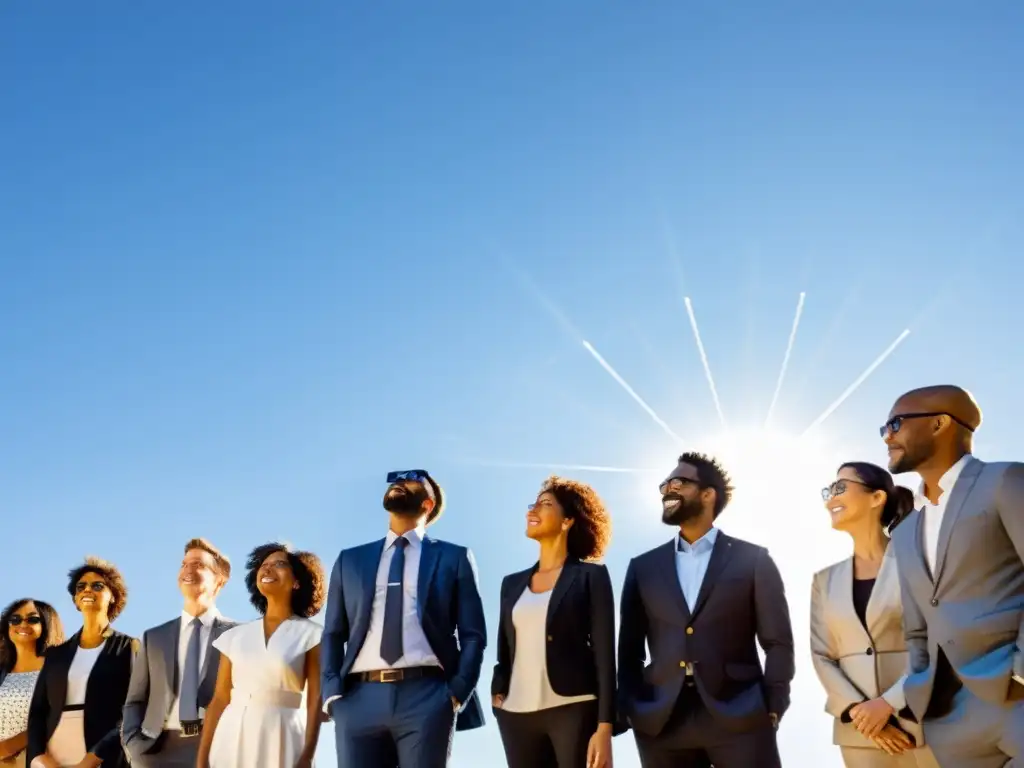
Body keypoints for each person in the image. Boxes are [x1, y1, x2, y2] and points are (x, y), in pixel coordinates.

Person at [617, 451, 794, 768]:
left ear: (708, 494)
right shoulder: (643, 567)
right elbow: (629, 650)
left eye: (678, 482)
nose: (668, 490)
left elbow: (778, 641)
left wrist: (774, 703)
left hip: (740, 715)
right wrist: (632, 705)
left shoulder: (754, 559)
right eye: (665, 484)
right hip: (662, 722)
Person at [883, 385, 1024, 766]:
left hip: (1016, 701)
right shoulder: (904, 530)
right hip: (950, 721)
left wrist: (1021, 674)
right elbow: (917, 627)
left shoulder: (1005, 480)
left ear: (940, 424)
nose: (887, 436)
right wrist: (918, 691)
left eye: (895, 423)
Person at [321, 469, 487, 768]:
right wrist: (333, 693)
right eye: (395, 481)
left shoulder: (454, 557)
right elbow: (333, 632)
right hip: (357, 698)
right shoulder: (350, 560)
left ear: (428, 503)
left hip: (427, 696)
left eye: (412, 482)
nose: (399, 484)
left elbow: (473, 634)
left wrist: (457, 692)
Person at [811, 462, 939, 767]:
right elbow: (822, 654)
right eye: (829, 491)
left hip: (924, 723)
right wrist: (860, 711)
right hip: (860, 735)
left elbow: (939, 640)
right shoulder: (823, 580)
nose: (830, 499)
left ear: (876, 498)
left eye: (840, 487)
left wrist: (888, 704)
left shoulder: (920, 562)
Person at [491, 476, 617, 768]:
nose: (532, 511)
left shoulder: (591, 576)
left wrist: (605, 726)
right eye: (532, 504)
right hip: (516, 715)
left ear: (567, 521)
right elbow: (504, 649)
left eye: (545, 504)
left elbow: (605, 655)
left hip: (573, 709)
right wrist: (498, 693)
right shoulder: (511, 584)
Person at [195, 542, 325, 768]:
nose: (268, 569)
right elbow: (219, 700)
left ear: (296, 582)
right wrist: (202, 759)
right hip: (231, 735)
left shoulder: (312, 635)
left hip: (284, 734)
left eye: (280, 564)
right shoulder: (234, 637)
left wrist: (308, 754)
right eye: (264, 565)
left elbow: (315, 700)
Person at [122, 538, 236, 768]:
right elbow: (134, 701)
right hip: (155, 751)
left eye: (198, 565)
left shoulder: (240, 635)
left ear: (219, 581)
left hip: (217, 750)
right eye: (184, 564)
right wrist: (133, 744)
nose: (187, 569)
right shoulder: (153, 637)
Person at [26, 557, 138, 768]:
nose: (87, 590)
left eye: (97, 585)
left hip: (102, 757)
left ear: (113, 596)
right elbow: (38, 712)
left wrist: (93, 758)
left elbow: (133, 711)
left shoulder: (129, 648)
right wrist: (37, 757)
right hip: (52, 756)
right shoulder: (55, 655)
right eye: (81, 587)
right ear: (76, 600)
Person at [0, 600, 64, 767]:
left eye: (32, 619)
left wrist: (8, 747)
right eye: (15, 619)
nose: (22, 624)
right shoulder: (2, 672)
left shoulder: (58, 669)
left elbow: (61, 718)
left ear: (47, 624)